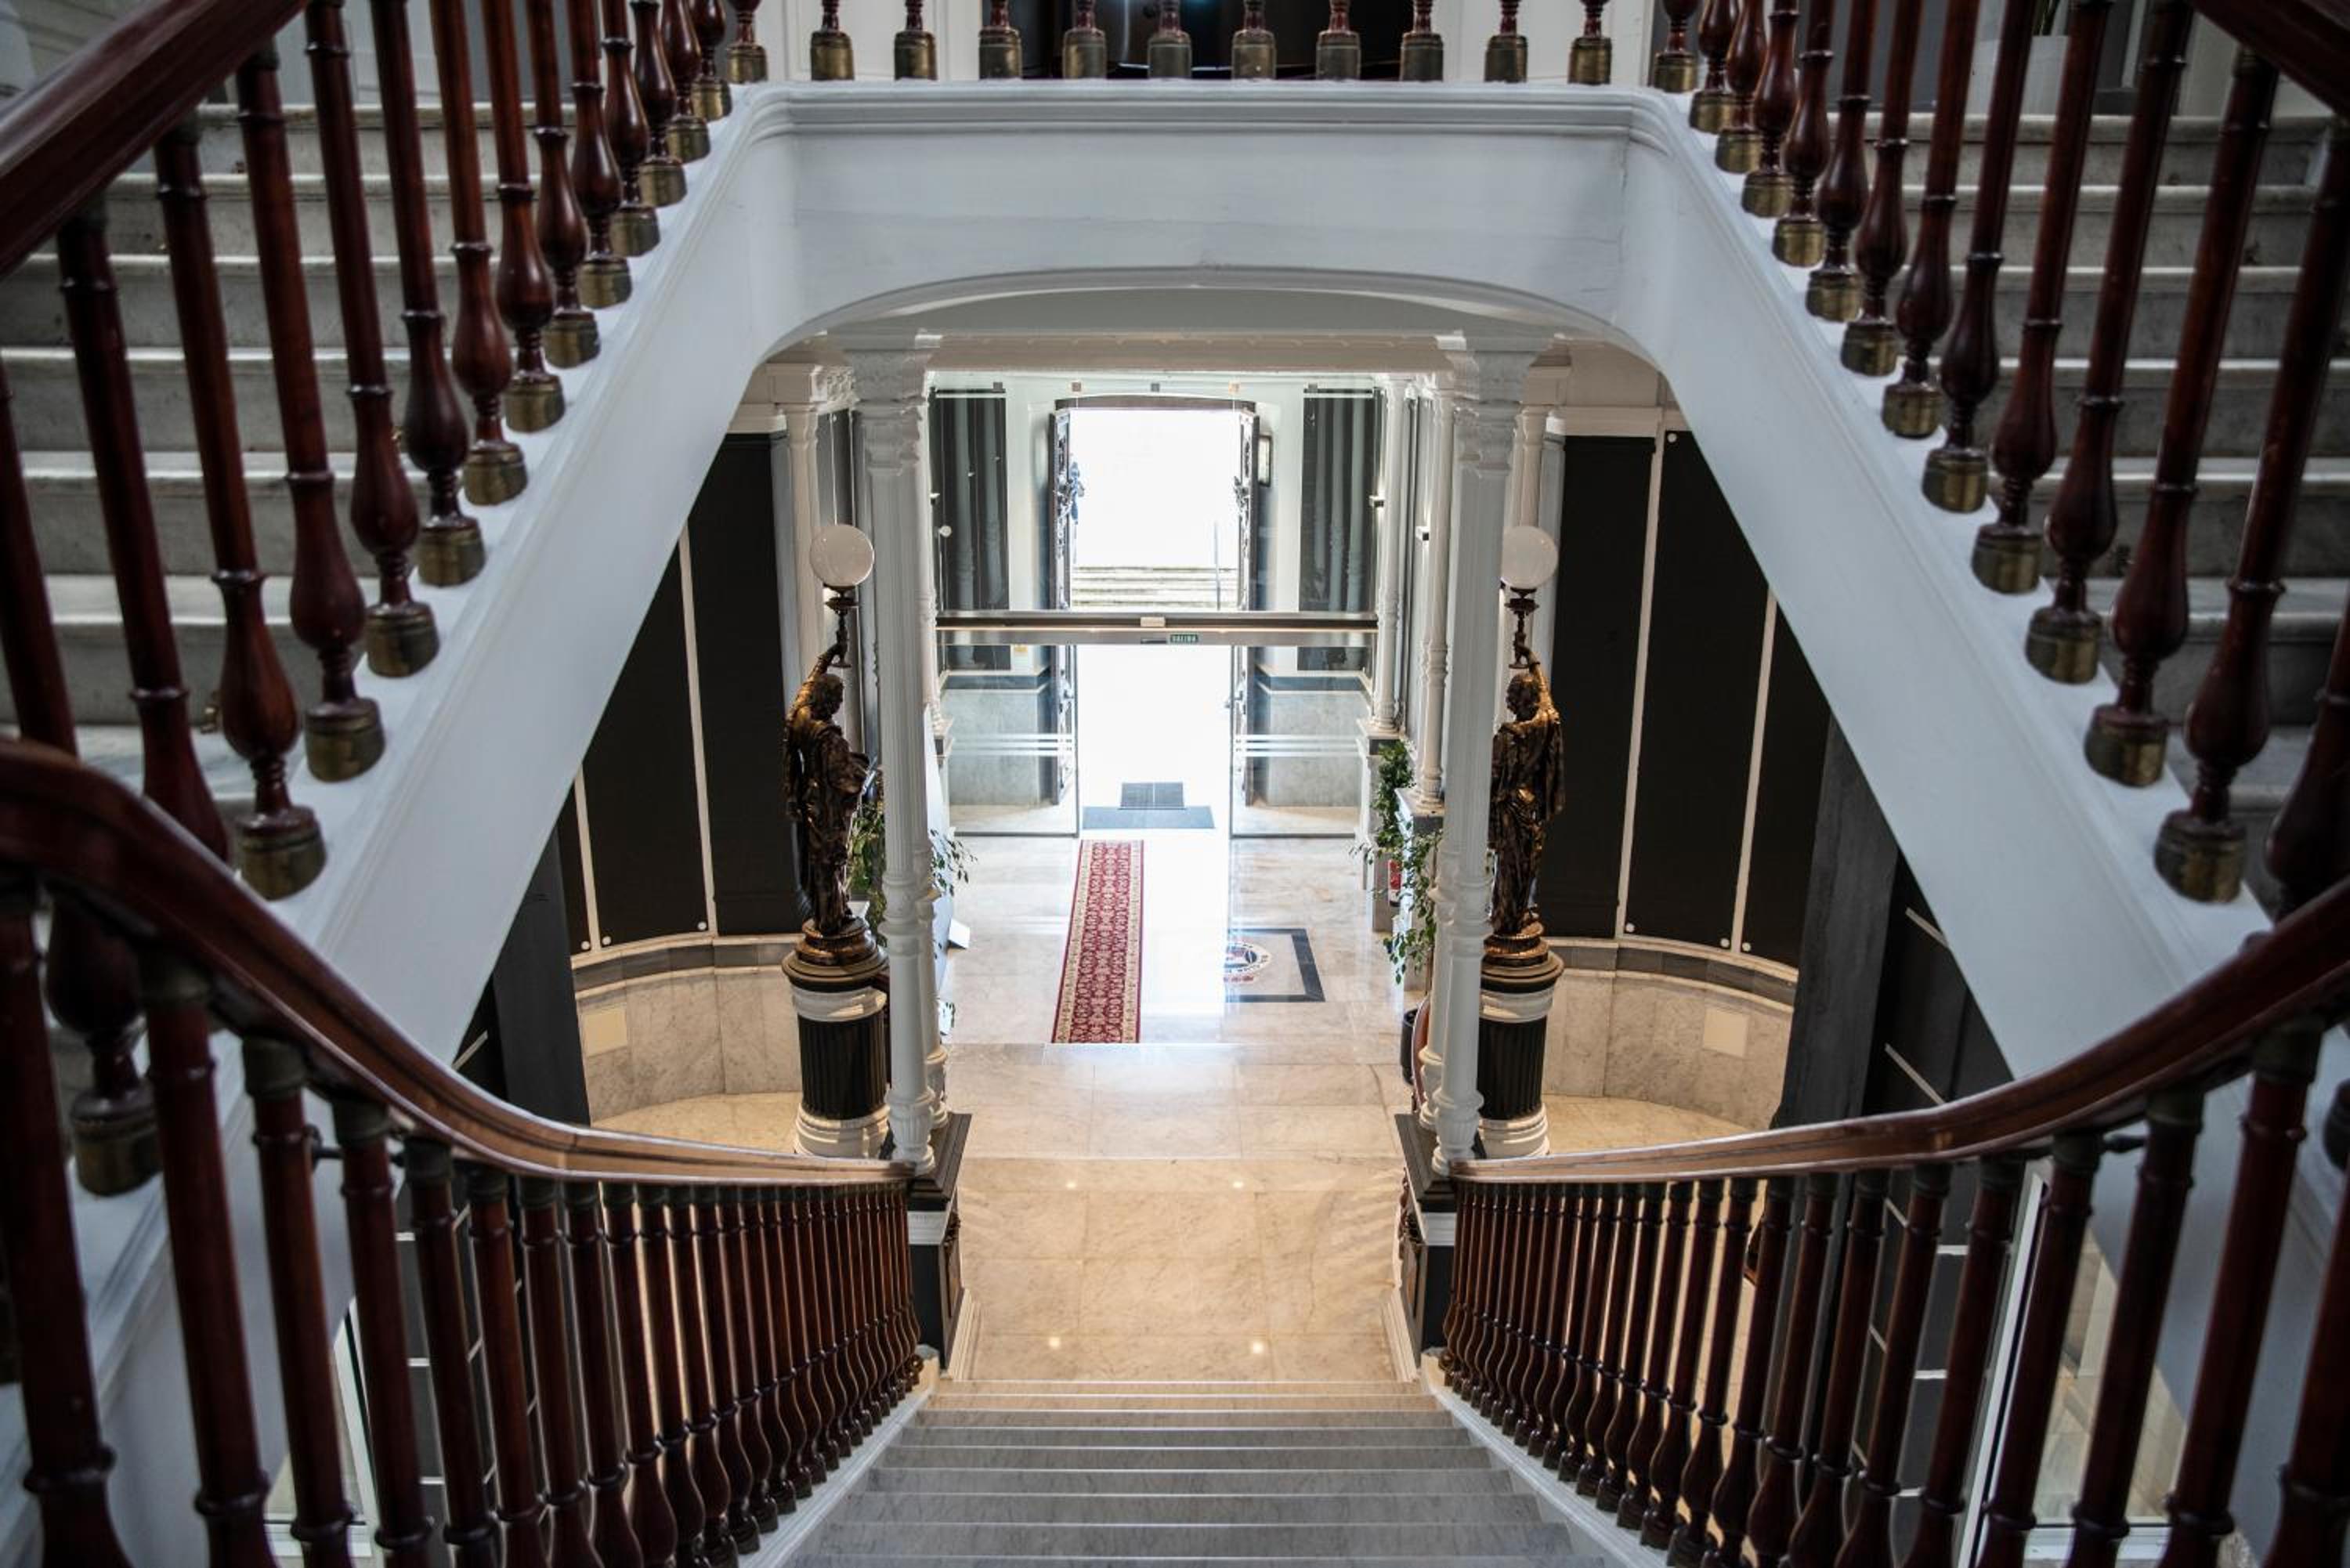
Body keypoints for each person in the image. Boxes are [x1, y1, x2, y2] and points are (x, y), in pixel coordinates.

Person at [786, 638, 873, 937]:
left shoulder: (800, 716)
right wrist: (863, 770)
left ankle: (829, 914)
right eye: (838, 699)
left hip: (808, 799)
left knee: (819, 862)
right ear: (830, 699)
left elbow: (808, 683)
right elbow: (845, 780)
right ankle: (831, 921)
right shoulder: (830, 738)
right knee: (831, 861)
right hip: (827, 807)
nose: (839, 704)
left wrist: (830, 654)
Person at [1489, 656, 1565, 941]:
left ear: (1513, 702)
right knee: (1525, 866)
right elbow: (1548, 703)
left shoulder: (1507, 738)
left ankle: (1507, 920)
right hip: (1530, 807)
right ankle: (1513, 916)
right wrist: (1533, 662)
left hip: (1510, 809)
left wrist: (1489, 824)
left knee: (1510, 868)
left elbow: (1493, 782)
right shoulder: (1542, 727)